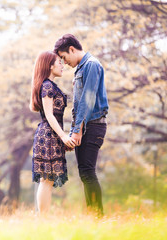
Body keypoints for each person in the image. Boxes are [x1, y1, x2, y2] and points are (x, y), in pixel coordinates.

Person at [54, 34, 109, 216]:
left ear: (72, 49)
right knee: (85, 173)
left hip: (92, 126)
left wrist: (77, 131)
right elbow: (78, 106)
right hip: (85, 126)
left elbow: (88, 100)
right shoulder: (81, 68)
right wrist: (73, 132)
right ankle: (94, 215)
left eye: (63, 57)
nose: (64, 62)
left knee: (88, 172)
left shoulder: (91, 65)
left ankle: (97, 217)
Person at [29, 51, 75, 215]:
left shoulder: (50, 85)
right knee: (46, 180)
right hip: (48, 135)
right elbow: (49, 115)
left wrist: (62, 137)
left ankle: (43, 218)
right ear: (49, 65)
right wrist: (63, 136)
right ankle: (43, 218)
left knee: (47, 180)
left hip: (51, 134)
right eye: (58, 62)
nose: (62, 65)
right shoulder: (47, 86)